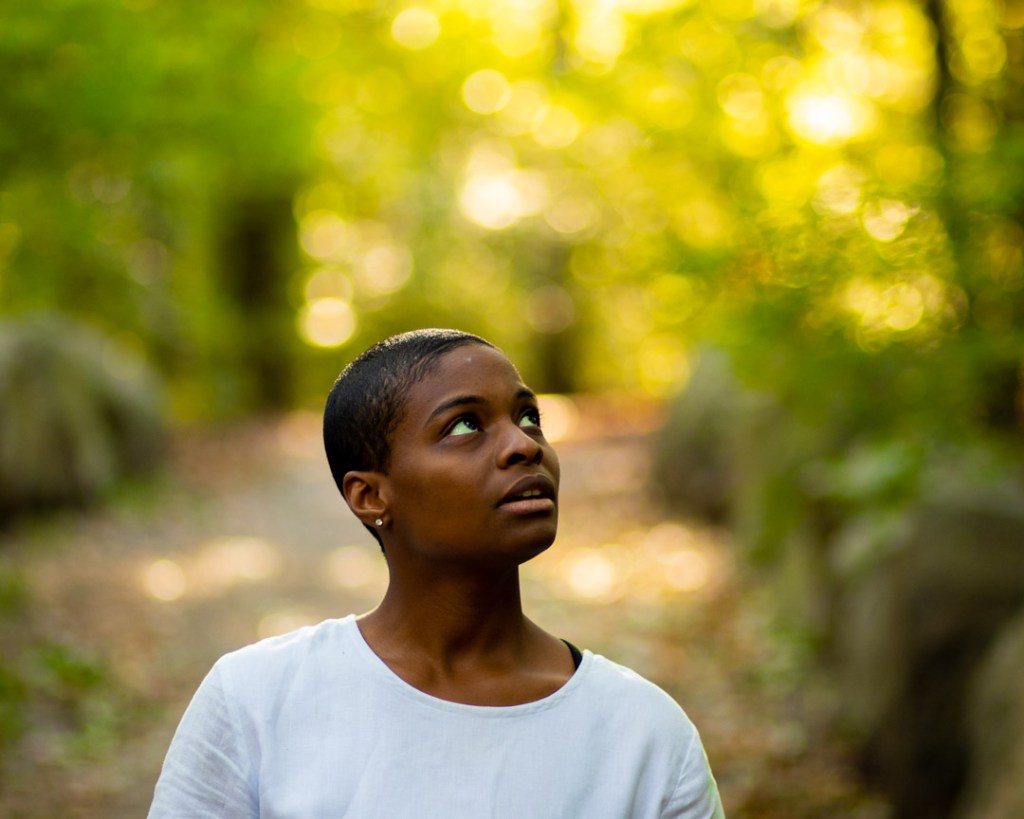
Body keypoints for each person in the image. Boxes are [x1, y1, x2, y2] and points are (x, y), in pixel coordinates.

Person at [148, 328, 725, 818]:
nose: (523, 445)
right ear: (370, 496)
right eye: (465, 426)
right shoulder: (257, 701)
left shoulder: (645, 736)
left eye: (528, 417)